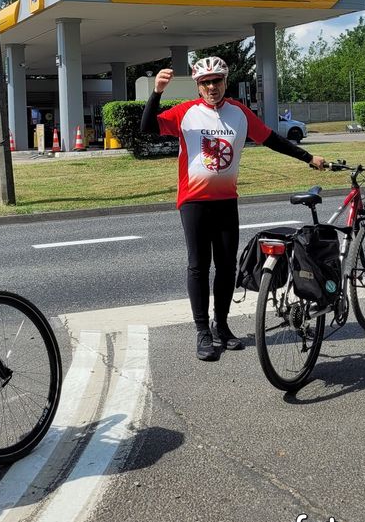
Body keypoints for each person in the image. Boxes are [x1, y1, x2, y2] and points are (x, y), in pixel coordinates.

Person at [140, 56, 328, 360]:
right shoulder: (186, 113)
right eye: (205, 82)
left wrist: (308, 158)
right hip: (194, 202)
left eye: (217, 81)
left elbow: (272, 140)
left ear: (225, 82)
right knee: (199, 267)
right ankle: (202, 331)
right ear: (198, 86)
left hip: (226, 201)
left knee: (227, 268)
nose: (212, 87)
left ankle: (222, 326)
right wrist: (157, 92)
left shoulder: (239, 114)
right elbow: (147, 128)